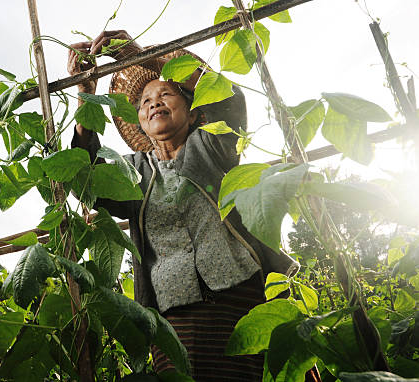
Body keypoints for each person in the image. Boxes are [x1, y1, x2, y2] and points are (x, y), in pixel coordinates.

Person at [68, 31, 301, 381]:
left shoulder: (212, 146)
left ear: (193, 114)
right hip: (174, 318)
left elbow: (228, 99)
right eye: (145, 102)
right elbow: (85, 181)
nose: (154, 102)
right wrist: (86, 93)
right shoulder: (132, 172)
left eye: (166, 94)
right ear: (141, 124)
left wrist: (150, 58)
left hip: (241, 300)